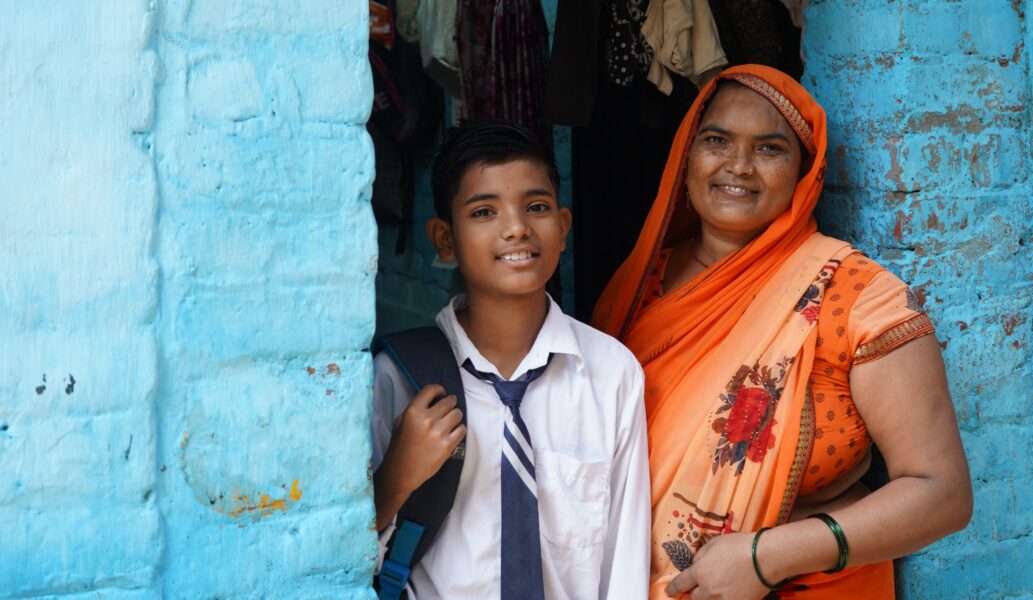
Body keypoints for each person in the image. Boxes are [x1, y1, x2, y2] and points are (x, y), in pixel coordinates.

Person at [592, 65, 972, 599]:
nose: (738, 166)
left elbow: (942, 494)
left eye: (769, 148)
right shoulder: (639, 287)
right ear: (686, 155)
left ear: (805, 171)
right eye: (716, 141)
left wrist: (765, 557)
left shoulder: (857, 295)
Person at [371, 118, 651, 599]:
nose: (517, 228)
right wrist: (395, 477)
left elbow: (624, 560)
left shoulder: (611, 374)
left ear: (563, 229)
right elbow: (342, 563)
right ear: (444, 240)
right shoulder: (400, 377)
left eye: (536, 207)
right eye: (484, 212)